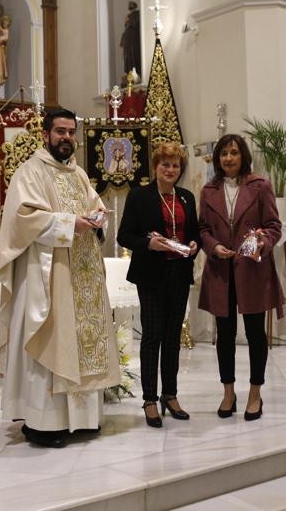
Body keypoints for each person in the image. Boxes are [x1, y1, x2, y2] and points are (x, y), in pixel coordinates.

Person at [0, 108, 120, 448]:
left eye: (70, 132)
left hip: (81, 274)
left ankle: (82, 420)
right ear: (46, 135)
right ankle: (43, 424)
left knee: (82, 341)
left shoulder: (79, 174)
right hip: (47, 274)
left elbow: (97, 210)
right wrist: (70, 223)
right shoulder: (31, 172)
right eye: (60, 131)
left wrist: (98, 219)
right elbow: (24, 218)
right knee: (52, 340)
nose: (66, 138)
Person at [199, 134, 283, 422]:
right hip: (222, 270)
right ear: (217, 159)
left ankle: (255, 393)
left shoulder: (260, 186)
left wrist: (263, 241)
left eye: (234, 153)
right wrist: (213, 247)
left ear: (243, 156)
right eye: (223, 153)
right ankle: (228, 392)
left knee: (256, 335)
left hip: (252, 271)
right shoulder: (209, 190)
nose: (228, 158)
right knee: (224, 336)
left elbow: (273, 226)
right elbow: (203, 230)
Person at [117, 142, 199, 428]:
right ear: (155, 167)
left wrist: (193, 244)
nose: (170, 169)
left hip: (179, 273)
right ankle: (150, 399)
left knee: (172, 338)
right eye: (165, 164)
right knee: (152, 337)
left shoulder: (187, 198)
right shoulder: (139, 196)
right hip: (151, 275)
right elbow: (124, 236)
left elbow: (194, 233)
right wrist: (148, 244)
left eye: (175, 165)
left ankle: (171, 395)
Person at [119, 1, 140, 79]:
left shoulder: (138, 14)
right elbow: (126, 28)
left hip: (133, 38)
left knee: (133, 54)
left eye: (131, 4)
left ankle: (135, 72)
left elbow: (136, 24)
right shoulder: (128, 16)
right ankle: (129, 72)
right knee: (127, 55)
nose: (130, 6)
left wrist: (129, 21)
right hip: (127, 39)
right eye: (129, 5)